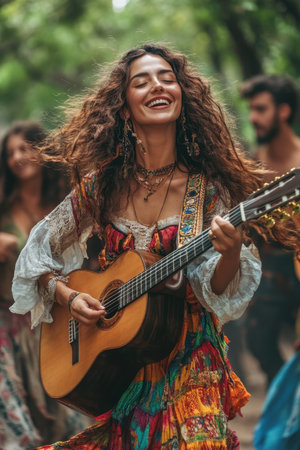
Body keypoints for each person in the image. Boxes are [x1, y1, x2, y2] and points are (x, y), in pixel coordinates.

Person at [9, 44, 297, 449]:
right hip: (125, 367)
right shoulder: (102, 186)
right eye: (141, 82)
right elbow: (35, 254)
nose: (158, 86)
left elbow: (218, 292)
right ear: (124, 108)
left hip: (190, 357)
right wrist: (70, 297)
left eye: (167, 78)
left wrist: (230, 252)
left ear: (182, 96)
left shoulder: (206, 190)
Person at [0, 121, 90, 449]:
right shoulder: (3, 204)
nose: (17, 157)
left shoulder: (63, 205)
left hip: (55, 321)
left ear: (42, 150)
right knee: (14, 415)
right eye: (10, 153)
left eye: (24, 148)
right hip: (7, 323)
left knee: (64, 416)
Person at [240, 75, 300, 386]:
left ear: (284, 111)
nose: (253, 118)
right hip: (270, 268)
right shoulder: (251, 167)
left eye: (261, 109)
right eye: (251, 109)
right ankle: (289, 402)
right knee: (259, 340)